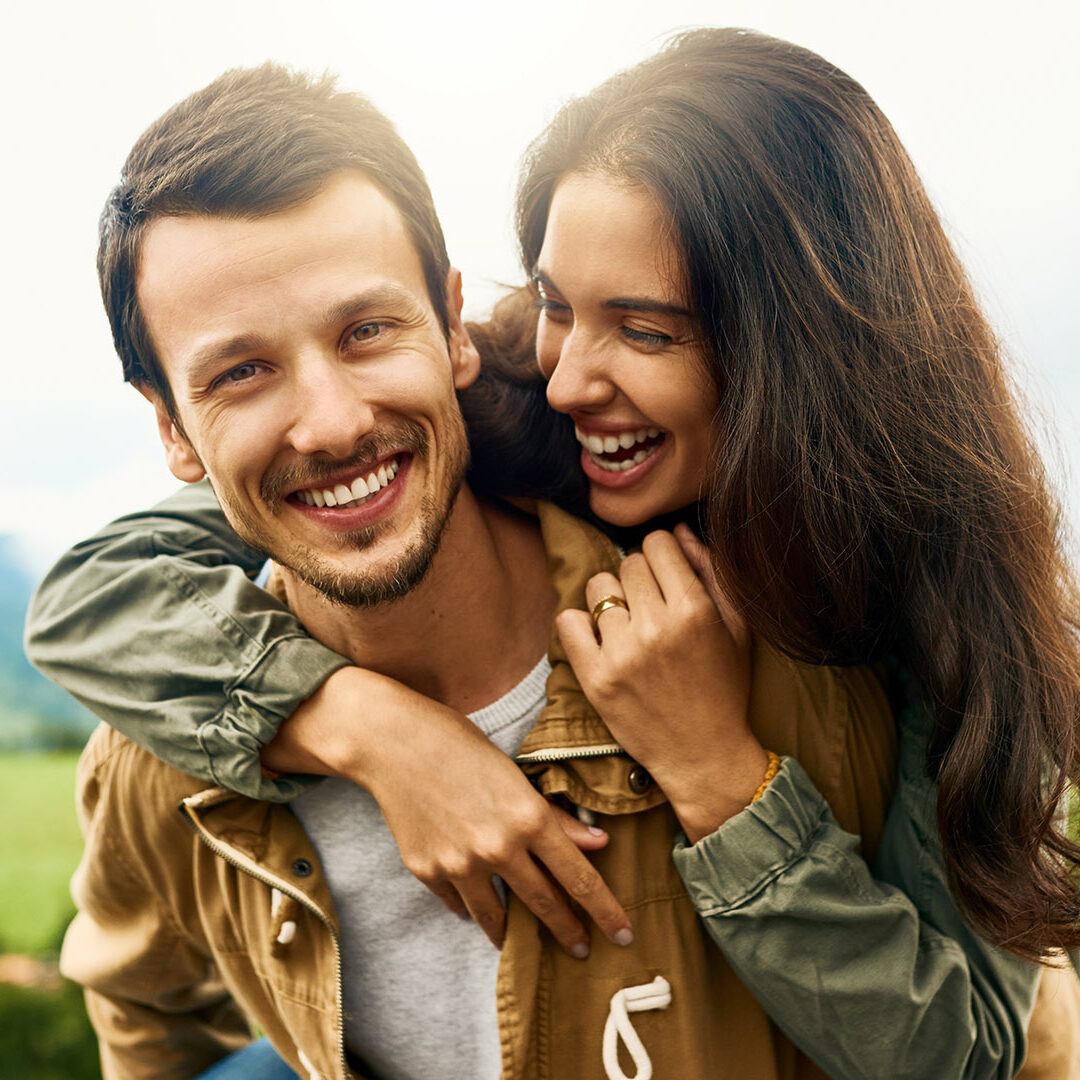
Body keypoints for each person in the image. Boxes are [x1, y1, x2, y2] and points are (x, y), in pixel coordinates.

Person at [27, 30, 1078, 1079]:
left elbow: (968, 1054)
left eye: (651, 331)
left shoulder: (870, 655)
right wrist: (363, 725)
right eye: (242, 372)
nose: (571, 378)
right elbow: (101, 593)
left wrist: (723, 783)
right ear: (169, 425)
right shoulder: (494, 420)